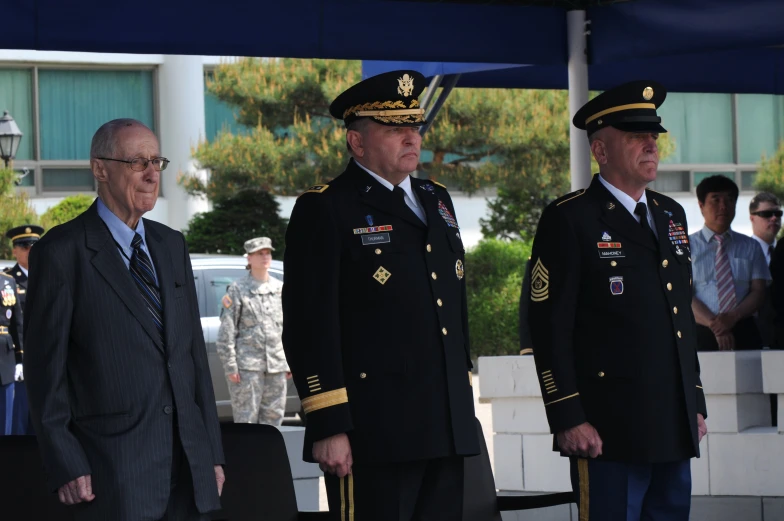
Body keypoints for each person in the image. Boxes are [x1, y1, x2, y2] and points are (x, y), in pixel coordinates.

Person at [282, 70, 479, 521]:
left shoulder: (436, 198)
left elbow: (450, 311)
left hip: (443, 424)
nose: (412, 137)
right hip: (374, 432)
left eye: (415, 126)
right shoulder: (327, 207)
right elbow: (310, 324)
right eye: (395, 129)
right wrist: (328, 424)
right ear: (357, 142)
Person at [24, 119, 225, 520]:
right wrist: (66, 461)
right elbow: (46, 372)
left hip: (190, 470)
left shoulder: (171, 244)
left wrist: (211, 455)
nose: (152, 174)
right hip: (112, 471)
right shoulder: (62, 252)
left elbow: (192, 360)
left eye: (156, 161)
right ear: (100, 169)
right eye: (137, 162)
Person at [528, 80, 708, 521]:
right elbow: (549, 327)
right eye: (635, 135)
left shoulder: (671, 213)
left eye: (653, 136)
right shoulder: (569, 218)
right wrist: (567, 415)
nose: (650, 144)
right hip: (607, 429)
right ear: (600, 151)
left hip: (671, 421)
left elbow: (678, 318)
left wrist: (695, 402)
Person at [690, 176, 769, 351]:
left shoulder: (751, 246)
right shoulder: (685, 247)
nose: (723, 206)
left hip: (744, 328)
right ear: (701, 206)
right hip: (700, 330)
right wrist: (716, 325)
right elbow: (682, 295)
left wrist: (732, 318)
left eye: (729, 200)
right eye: (716, 199)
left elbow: (759, 291)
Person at [217, 236, 290, 426]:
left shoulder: (280, 289)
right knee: (246, 421)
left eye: (268, 253)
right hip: (248, 367)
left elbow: (288, 328)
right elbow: (227, 331)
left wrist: (290, 361)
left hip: (276, 366)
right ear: (249, 258)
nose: (265, 257)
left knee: (274, 420)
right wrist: (231, 367)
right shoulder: (237, 289)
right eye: (259, 253)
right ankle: (247, 457)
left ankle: (271, 456)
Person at [4, 224, 43, 435]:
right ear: (15, 250)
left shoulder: (50, 274)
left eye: (34, 245)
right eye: (24, 245)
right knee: (19, 419)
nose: (29, 249)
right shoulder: (8, 280)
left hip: (47, 353)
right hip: (21, 356)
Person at [748, 192, 781, 349]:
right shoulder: (744, 253)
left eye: (778, 213)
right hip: (753, 334)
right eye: (767, 214)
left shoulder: (780, 251)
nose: (774, 218)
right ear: (752, 217)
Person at [0, 268, 23, 436]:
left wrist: (20, 359)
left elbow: (16, 324)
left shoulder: (8, 281)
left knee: (5, 418)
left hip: (5, 357)